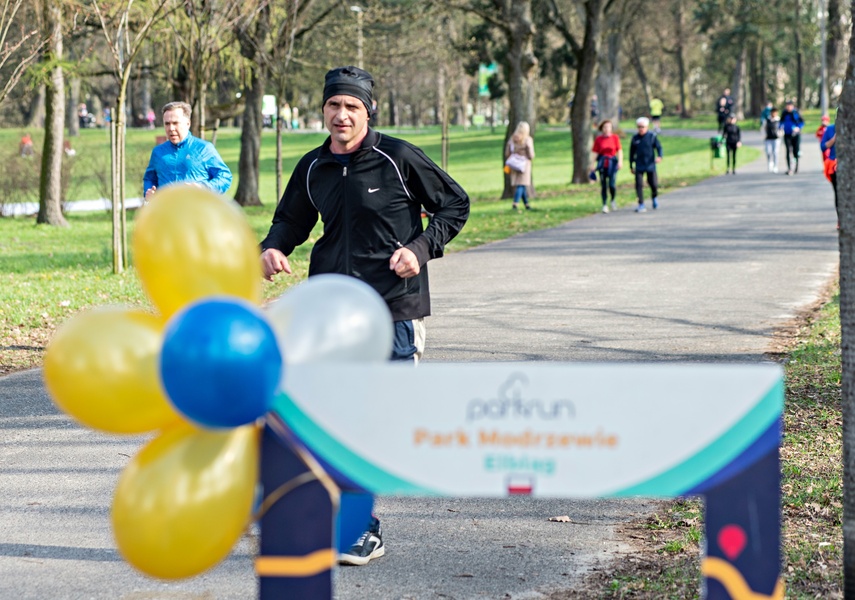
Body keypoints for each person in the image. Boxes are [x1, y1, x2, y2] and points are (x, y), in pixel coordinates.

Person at [259, 66, 470, 566]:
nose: (342, 115)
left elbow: (454, 206)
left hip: (394, 307)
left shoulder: (397, 158)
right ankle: (356, 527)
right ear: (324, 111)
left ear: (368, 112)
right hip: (332, 313)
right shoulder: (313, 166)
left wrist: (420, 248)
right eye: (334, 106)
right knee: (336, 420)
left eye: (352, 106)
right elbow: (292, 218)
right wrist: (272, 247)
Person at [143, 101, 233, 200]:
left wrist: (204, 187)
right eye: (167, 124)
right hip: (166, 213)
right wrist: (149, 192)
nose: (171, 128)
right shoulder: (158, 152)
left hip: (196, 212)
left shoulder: (204, 148)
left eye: (175, 123)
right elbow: (150, 179)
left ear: (188, 123)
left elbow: (225, 177)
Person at [629, 117, 663, 213]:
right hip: (639, 165)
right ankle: (641, 204)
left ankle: (654, 197)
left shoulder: (652, 137)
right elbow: (631, 153)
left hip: (650, 164)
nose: (641, 129)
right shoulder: (635, 138)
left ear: (647, 127)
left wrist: (660, 156)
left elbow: (659, 147)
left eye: (642, 127)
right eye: (639, 127)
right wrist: (631, 166)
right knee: (639, 185)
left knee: (654, 184)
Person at [590, 119, 623, 213]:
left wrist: (620, 162)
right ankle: (604, 204)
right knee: (603, 184)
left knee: (612, 184)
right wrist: (592, 165)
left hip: (612, 163)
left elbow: (619, 150)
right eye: (605, 127)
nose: (607, 129)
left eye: (609, 127)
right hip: (602, 163)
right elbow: (595, 152)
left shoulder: (615, 138)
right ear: (602, 128)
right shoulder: (599, 139)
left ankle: (612, 200)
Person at [505, 121, 534, 210]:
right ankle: (515, 203)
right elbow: (531, 155)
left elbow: (507, 153)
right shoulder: (527, 139)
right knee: (521, 185)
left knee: (521, 185)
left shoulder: (512, 139)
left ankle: (527, 205)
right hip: (524, 165)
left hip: (514, 164)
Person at [820, 110, 838, 223]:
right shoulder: (830, 129)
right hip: (834, 165)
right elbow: (823, 147)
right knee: (839, 192)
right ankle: (841, 219)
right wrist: (834, 139)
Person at [779, 100, 804, 175]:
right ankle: (789, 168)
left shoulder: (796, 113)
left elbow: (802, 122)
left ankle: (796, 167)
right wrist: (780, 128)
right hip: (787, 134)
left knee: (795, 151)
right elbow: (781, 122)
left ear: (792, 106)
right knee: (787, 150)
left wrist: (798, 128)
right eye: (787, 106)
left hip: (796, 135)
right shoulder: (784, 113)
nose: (788, 107)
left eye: (790, 106)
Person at [764, 107, 781, 173]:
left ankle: (775, 165)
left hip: (776, 138)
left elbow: (781, 128)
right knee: (768, 152)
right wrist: (764, 135)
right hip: (768, 138)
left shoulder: (778, 120)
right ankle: (770, 163)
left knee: (775, 152)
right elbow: (763, 128)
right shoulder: (767, 120)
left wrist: (780, 134)